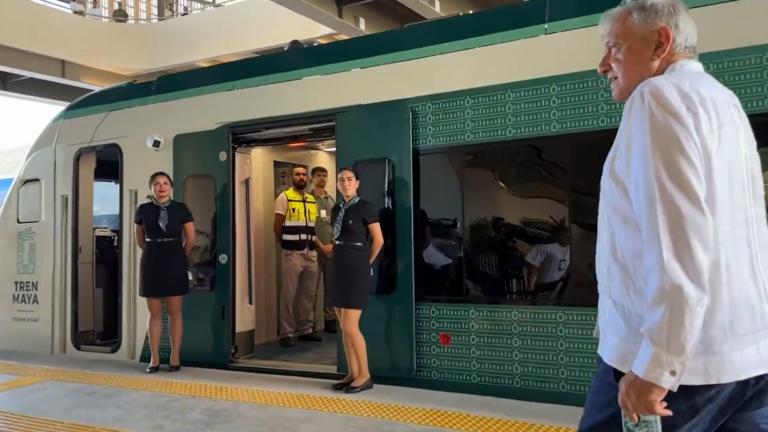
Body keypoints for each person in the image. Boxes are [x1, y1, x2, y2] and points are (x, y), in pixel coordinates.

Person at [580, 1, 768, 430]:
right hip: (749, 360)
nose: (602, 65)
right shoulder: (723, 100)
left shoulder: (657, 97)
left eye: (614, 47)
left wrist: (654, 368)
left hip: (682, 371)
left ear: (660, 43)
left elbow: (676, 244)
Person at [327, 167, 384, 394]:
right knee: (343, 326)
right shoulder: (336, 209)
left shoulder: (366, 207)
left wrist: (366, 264)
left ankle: (365, 375)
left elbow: (378, 241)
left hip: (356, 267)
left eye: (350, 180)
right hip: (338, 266)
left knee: (351, 325)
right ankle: (351, 373)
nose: (346, 183)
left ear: (357, 183)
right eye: (341, 180)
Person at [134, 172, 195, 373]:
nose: (161, 187)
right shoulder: (143, 210)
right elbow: (140, 240)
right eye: (157, 184)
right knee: (154, 313)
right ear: (151, 187)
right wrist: (154, 251)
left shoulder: (181, 209)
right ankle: (154, 358)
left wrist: (180, 256)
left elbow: (190, 238)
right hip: (151, 261)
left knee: (175, 312)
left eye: (165, 183)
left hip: (175, 260)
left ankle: (175, 356)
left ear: (171, 186)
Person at [274, 166, 322, 347]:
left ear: (307, 178)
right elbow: (276, 227)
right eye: (297, 174)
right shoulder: (284, 198)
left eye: (303, 174)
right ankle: (286, 333)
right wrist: (286, 245)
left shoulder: (311, 200)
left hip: (310, 253)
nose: (301, 177)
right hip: (292, 253)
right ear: (292, 177)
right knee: (289, 294)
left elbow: (312, 228)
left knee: (308, 293)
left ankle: (305, 329)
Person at [310, 166, 338, 334]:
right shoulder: (308, 199)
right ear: (312, 178)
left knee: (330, 286)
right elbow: (308, 226)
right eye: (318, 175)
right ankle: (310, 323)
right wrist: (320, 245)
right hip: (314, 249)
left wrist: (332, 244)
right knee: (311, 288)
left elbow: (336, 225)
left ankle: (330, 319)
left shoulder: (331, 201)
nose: (322, 178)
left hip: (331, 250)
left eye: (324, 175)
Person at [524, 225, 570, 299]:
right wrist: (530, 287)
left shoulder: (571, 249)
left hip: (560, 288)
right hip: (543, 287)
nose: (567, 237)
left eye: (568, 235)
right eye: (564, 235)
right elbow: (533, 268)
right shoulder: (544, 247)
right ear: (558, 236)